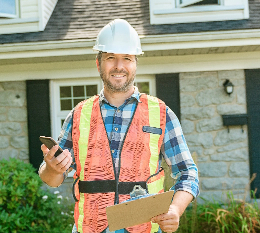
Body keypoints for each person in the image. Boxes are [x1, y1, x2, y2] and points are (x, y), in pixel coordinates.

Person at [38, 19, 199, 233]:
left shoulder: (160, 113)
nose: (119, 66)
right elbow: (52, 179)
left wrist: (175, 210)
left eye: (127, 58)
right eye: (110, 58)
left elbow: (188, 173)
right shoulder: (79, 115)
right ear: (98, 63)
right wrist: (51, 168)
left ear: (135, 64)